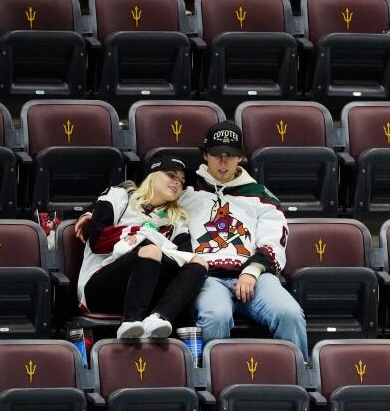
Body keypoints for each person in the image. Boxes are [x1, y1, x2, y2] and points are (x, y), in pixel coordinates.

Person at [77, 122, 308, 358]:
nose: (223, 162)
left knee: (289, 313)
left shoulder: (261, 196)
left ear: (241, 158)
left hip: (254, 276)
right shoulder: (185, 190)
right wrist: (91, 214)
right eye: (217, 155)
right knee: (215, 316)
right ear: (205, 155)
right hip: (207, 278)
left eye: (231, 155)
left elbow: (274, 240)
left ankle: (298, 380)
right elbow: (142, 198)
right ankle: (211, 384)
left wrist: (253, 271)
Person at [77, 156, 208, 339]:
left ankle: (158, 317)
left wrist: (145, 239)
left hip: (150, 294)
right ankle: (130, 322)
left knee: (199, 263)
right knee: (151, 251)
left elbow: (184, 260)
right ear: (152, 175)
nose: (177, 183)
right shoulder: (118, 196)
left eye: (181, 181)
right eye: (171, 175)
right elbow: (98, 242)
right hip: (100, 288)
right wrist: (142, 234)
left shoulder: (176, 220)